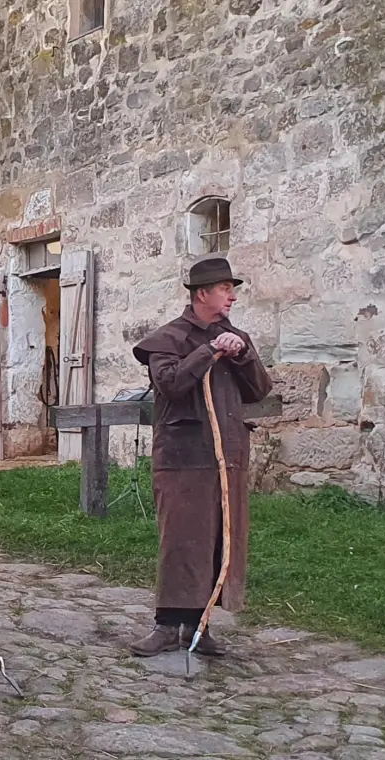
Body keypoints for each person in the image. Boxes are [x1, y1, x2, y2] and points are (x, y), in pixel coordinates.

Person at [129, 256, 274, 657]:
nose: (232, 296)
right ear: (201, 294)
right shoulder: (168, 339)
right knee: (180, 541)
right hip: (182, 457)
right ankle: (165, 625)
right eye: (225, 289)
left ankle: (200, 625)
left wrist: (240, 353)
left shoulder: (235, 336)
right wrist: (209, 351)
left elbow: (259, 390)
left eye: (232, 289)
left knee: (217, 540)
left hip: (226, 458)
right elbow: (171, 385)